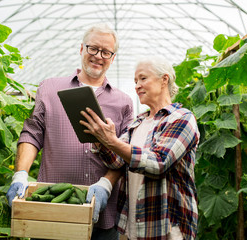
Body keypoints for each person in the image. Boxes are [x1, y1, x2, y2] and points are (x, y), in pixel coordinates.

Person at [6, 23, 134, 240]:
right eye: (93, 48)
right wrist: (20, 175)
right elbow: (32, 134)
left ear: (113, 58)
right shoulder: (49, 88)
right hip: (52, 209)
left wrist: (105, 184)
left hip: (102, 216)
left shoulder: (123, 102)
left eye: (106, 52)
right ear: (81, 49)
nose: (98, 56)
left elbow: (125, 154)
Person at [80, 56, 200, 239]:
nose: (137, 85)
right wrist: (99, 138)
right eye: (135, 81)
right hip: (132, 227)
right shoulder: (137, 122)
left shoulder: (181, 118)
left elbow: (159, 163)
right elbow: (116, 162)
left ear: (164, 80)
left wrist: (112, 141)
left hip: (166, 228)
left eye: (143, 78)